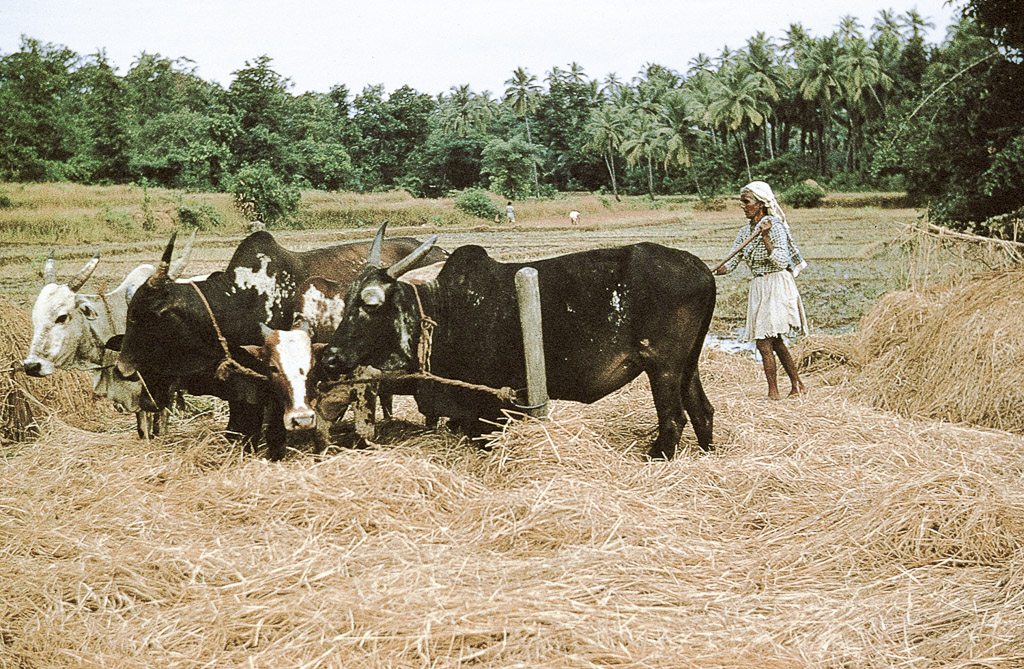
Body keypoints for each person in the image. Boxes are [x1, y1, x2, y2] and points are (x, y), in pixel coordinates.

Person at [713, 180, 808, 400]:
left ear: (761, 204)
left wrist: (765, 237)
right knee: (775, 341)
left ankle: (773, 393)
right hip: (759, 286)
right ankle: (798, 385)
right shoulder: (744, 232)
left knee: (764, 341)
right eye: (742, 202)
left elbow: (781, 260)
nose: (743, 206)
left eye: (747, 202)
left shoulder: (775, 227)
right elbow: (732, 262)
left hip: (776, 284)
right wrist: (711, 271)